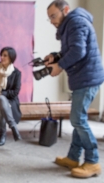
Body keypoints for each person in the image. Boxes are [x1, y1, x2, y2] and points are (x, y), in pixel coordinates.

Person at [44, 0, 104, 178]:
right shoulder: (70, 24)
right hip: (82, 78)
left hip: (87, 78)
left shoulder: (76, 22)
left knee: (77, 119)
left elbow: (79, 51)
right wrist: (55, 56)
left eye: (54, 16)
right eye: (49, 18)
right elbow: (72, 49)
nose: (52, 21)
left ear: (66, 10)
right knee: (79, 118)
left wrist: (59, 66)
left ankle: (92, 161)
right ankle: (73, 158)